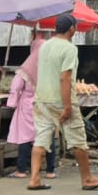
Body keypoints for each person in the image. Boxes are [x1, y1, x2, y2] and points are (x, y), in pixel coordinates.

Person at [28, 14, 98, 190]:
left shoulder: (44, 46)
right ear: (72, 29)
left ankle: (34, 178)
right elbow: (65, 77)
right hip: (61, 100)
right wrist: (67, 106)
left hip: (42, 99)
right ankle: (87, 179)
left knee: (41, 139)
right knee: (78, 140)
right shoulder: (69, 49)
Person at [6, 36, 57, 179]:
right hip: (46, 103)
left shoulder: (26, 68)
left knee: (25, 137)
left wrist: (12, 103)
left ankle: (21, 170)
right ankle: (50, 171)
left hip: (28, 105)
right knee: (48, 136)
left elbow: (15, 87)